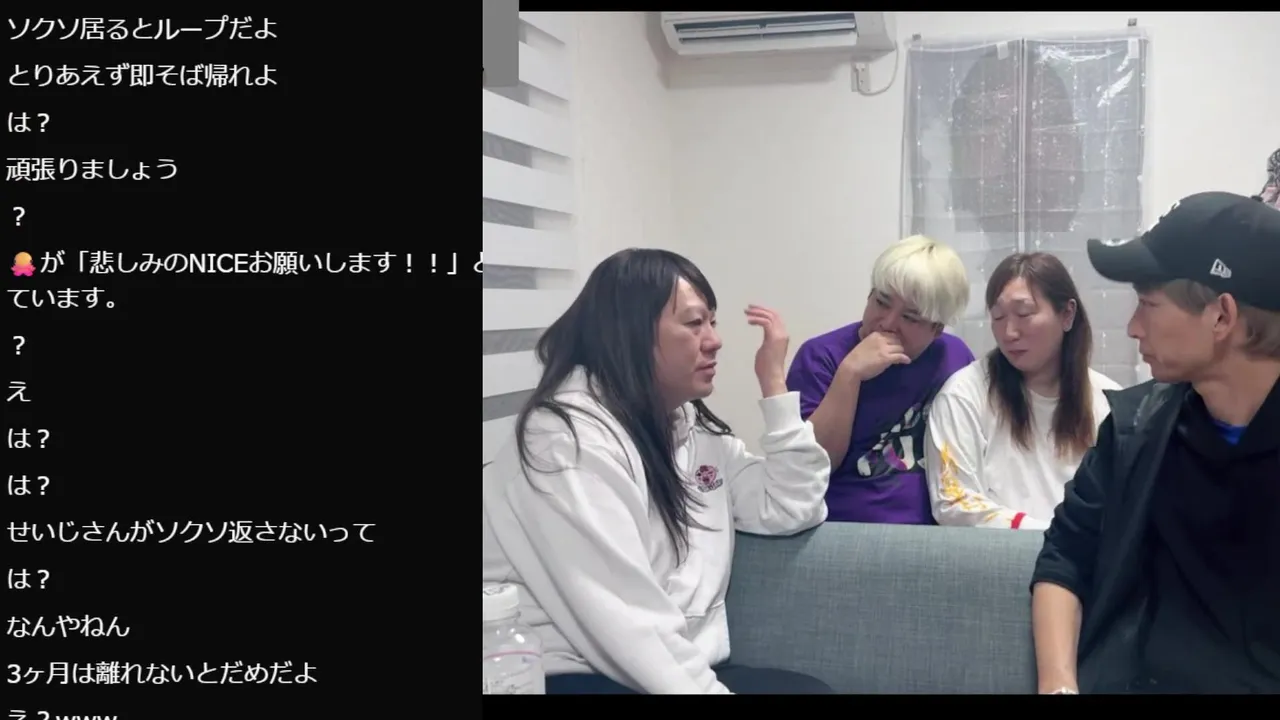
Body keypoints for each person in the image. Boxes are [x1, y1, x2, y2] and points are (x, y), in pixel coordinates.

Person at [481, 248, 836, 695]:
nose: (714, 340)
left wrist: (775, 387)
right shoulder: (564, 440)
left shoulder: (688, 425)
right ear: (630, 334)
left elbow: (790, 506)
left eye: (712, 322)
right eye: (694, 323)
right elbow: (626, 621)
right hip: (567, 673)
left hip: (669, 667)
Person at [1030, 191, 1280, 694]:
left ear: (1221, 316)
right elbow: (1065, 557)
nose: (1132, 328)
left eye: (1148, 304)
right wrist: (1058, 685)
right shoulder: (1134, 430)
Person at [785, 235, 974, 524]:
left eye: (910, 317)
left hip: (938, 529)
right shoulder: (820, 356)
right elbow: (807, 470)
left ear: (936, 328)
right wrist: (849, 374)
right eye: (881, 302)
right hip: (842, 527)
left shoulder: (954, 357)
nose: (887, 322)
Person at [925, 252, 1122, 530]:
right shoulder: (963, 396)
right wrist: (1054, 538)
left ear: (1067, 314)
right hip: (999, 553)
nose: (1009, 333)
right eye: (998, 317)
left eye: (1024, 314)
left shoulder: (1110, 402)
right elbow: (955, 504)